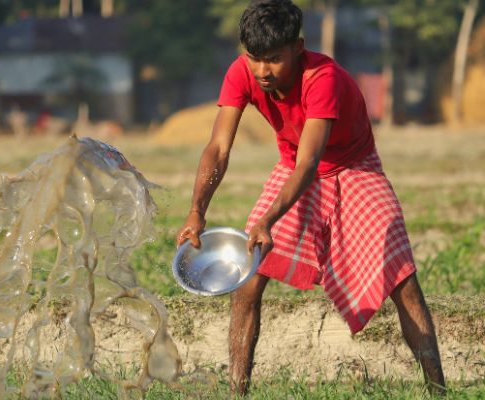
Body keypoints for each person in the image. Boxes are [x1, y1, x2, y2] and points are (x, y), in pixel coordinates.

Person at [175, 0, 446, 396]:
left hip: (354, 168)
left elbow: (310, 163)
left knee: (402, 279)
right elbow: (218, 148)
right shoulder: (241, 73)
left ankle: (439, 390)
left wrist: (267, 219)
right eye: (255, 59)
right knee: (249, 281)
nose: (263, 71)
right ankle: (237, 392)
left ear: (298, 47)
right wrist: (197, 211)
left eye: (274, 59)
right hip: (292, 167)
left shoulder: (324, 77)